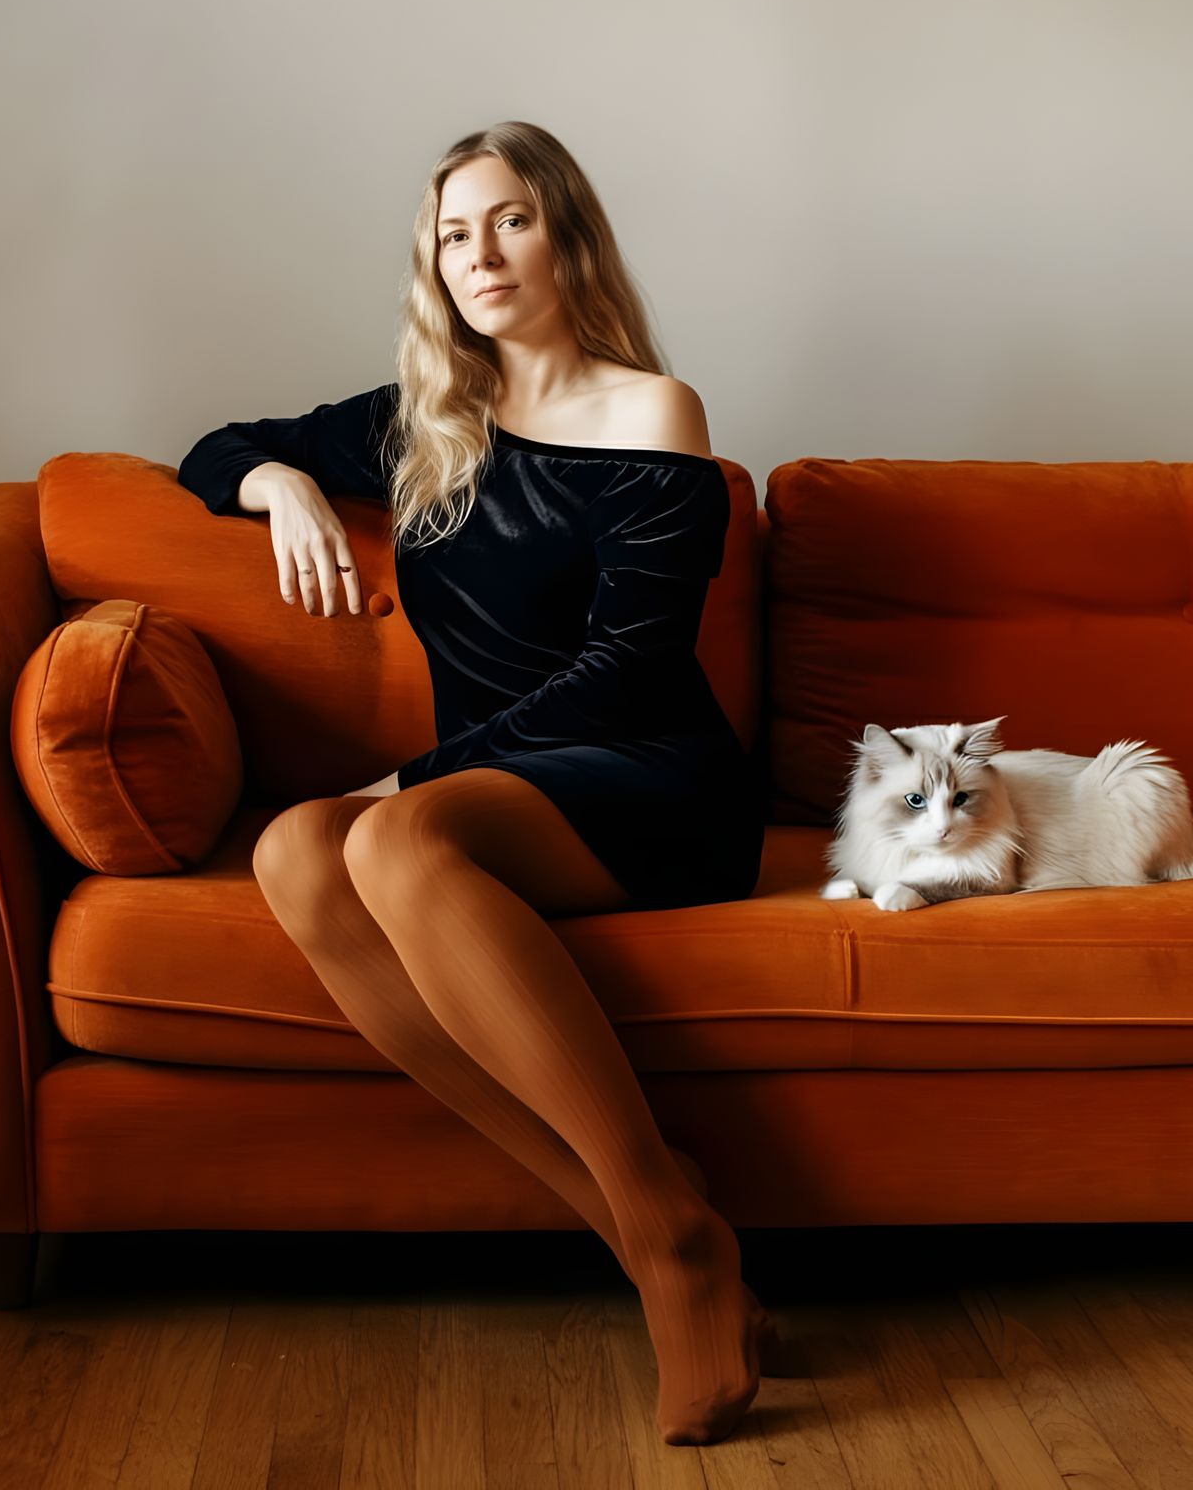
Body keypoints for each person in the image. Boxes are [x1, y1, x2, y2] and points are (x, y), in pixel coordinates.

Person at [177, 120, 774, 1446]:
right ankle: (652, 1218)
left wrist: (411, 777)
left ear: (567, 236)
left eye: (510, 220)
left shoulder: (652, 410)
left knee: (391, 841)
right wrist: (282, 483)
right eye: (454, 234)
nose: (482, 255)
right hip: (489, 786)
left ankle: (670, 1249)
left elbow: (628, 670)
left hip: (652, 774)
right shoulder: (419, 423)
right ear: (433, 266)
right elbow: (215, 446)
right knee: (291, 849)